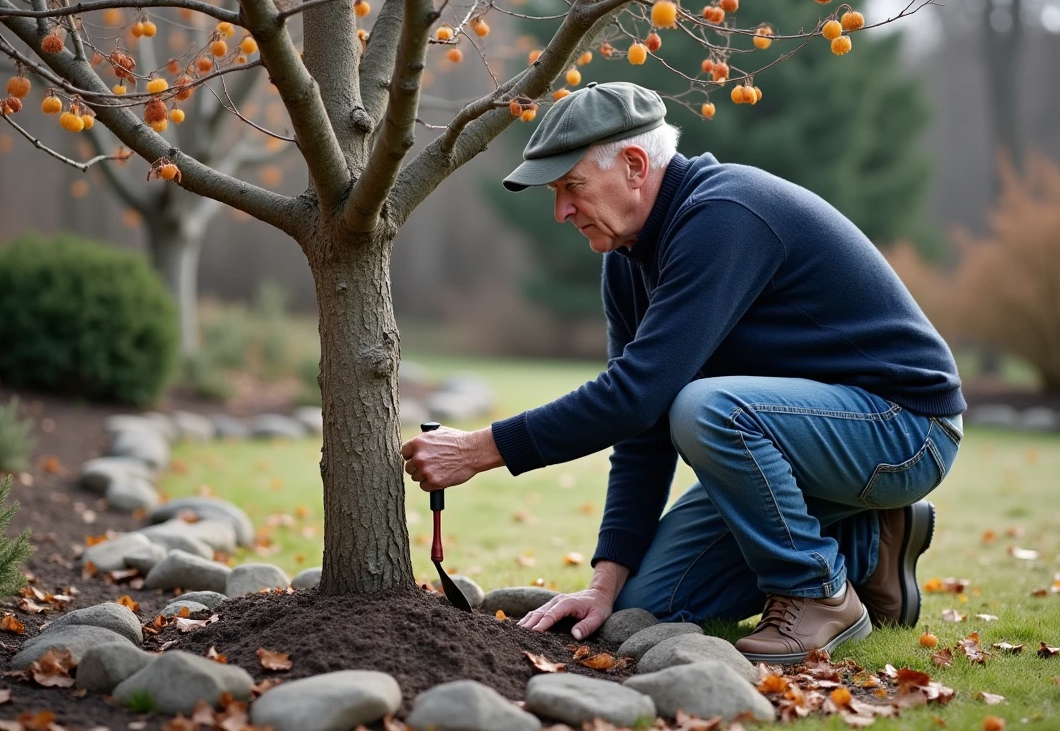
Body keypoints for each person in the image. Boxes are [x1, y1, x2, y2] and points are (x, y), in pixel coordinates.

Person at [400, 81, 965, 664]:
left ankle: (814, 589)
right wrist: (604, 582)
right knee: (650, 602)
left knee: (706, 408)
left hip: (905, 428)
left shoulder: (724, 215)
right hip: (814, 444)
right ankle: (866, 544)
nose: (561, 210)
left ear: (636, 165)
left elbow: (637, 397)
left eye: (572, 187)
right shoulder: (627, 261)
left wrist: (478, 450)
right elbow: (639, 429)